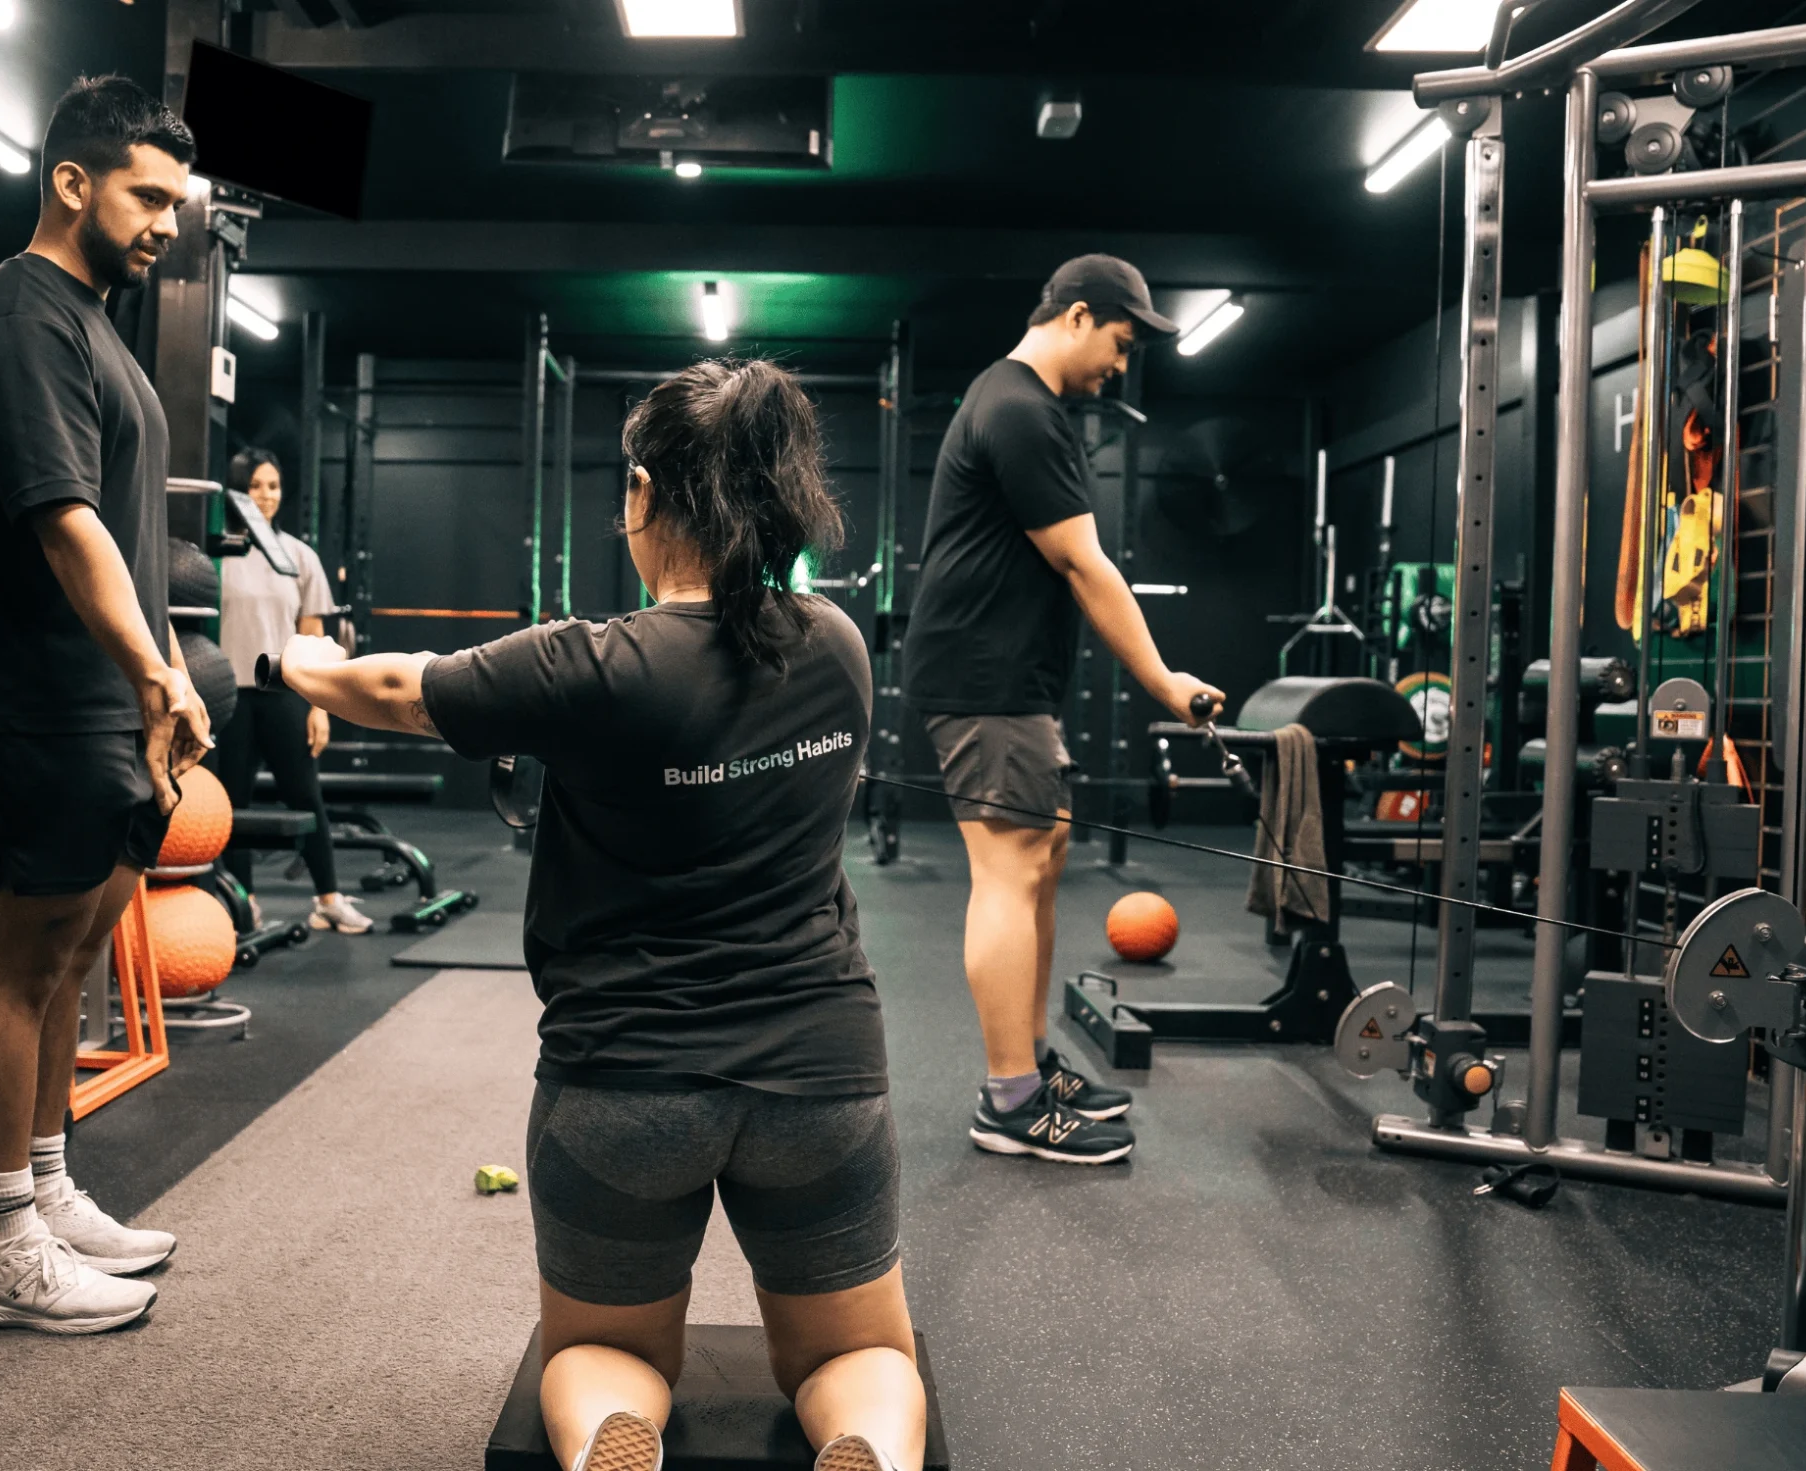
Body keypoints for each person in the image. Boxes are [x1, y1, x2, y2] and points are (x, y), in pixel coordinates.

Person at [272, 361, 926, 1471]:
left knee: (603, 1352)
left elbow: (389, 688)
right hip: (821, 1082)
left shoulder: (589, 666)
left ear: (641, 492)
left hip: (622, 1087)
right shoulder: (838, 643)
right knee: (855, 1353)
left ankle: (611, 1438)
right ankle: (869, 1442)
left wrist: (297, 656)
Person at [0, 75, 210, 1333]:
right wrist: (151, 672)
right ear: (73, 183)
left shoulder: (93, 325)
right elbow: (65, 523)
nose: (167, 224)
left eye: (176, 202)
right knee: (19, 964)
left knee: (70, 961)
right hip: (32, 700)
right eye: (148, 196)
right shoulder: (17, 322)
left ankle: (42, 1187)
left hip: (106, 703)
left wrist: (167, 676)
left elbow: (132, 541)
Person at [901, 254, 1226, 1167]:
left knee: (1041, 855)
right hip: (985, 677)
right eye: (1121, 342)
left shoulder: (1019, 403)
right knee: (1009, 870)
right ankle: (1009, 1099)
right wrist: (1163, 680)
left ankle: (1032, 1063)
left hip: (1009, 677)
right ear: (1078, 316)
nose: (1121, 365)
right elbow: (1085, 564)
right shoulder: (1019, 407)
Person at [215, 447, 371, 934]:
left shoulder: (300, 556)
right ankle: (243, 904)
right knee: (231, 804)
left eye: (273, 486)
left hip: (283, 692)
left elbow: (312, 637)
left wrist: (318, 706)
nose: (265, 496)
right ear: (235, 492)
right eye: (254, 486)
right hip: (228, 694)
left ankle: (328, 900)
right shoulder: (216, 554)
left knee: (305, 795)